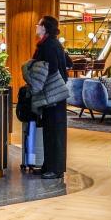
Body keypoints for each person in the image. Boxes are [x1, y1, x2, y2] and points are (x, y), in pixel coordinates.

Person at [25, 15, 71, 180]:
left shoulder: (49, 44)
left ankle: (56, 169)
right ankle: (48, 166)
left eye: (38, 24)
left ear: (44, 27)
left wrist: (33, 71)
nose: (36, 26)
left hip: (54, 95)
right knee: (50, 130)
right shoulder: (52, 43)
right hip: (53, 94)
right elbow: (68, 63)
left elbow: (50, 68)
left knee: (55, 132)